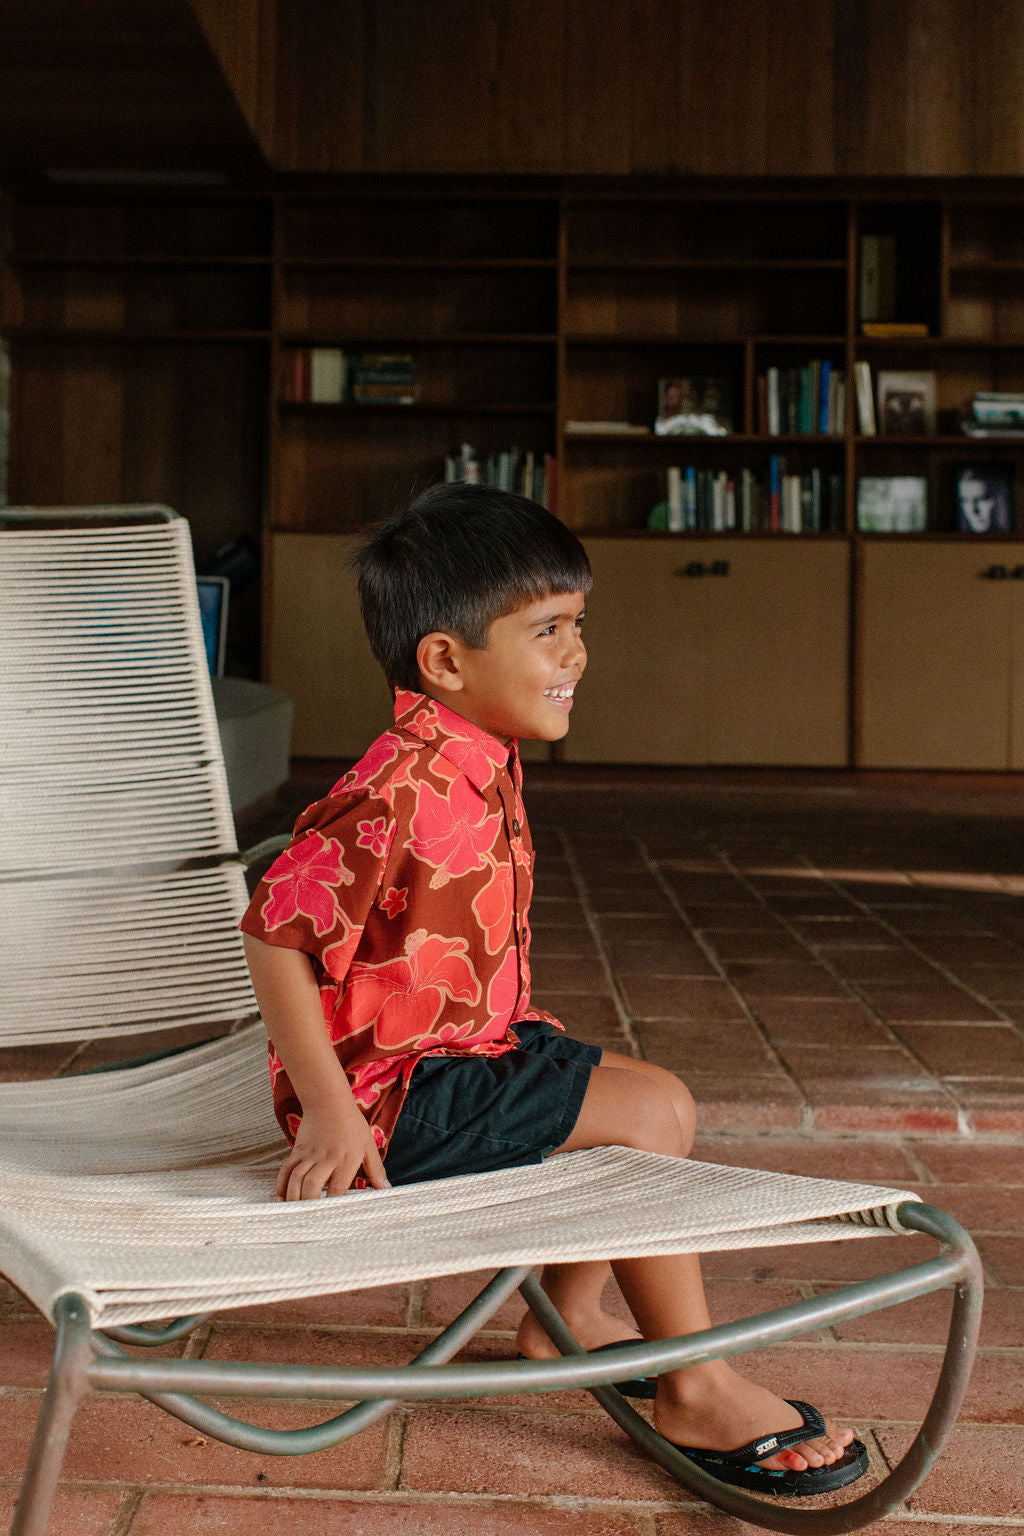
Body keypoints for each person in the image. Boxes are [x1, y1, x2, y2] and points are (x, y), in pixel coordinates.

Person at [240, 482, 866, 1497]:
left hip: (457, 1055)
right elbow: (274, 933)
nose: (576, 653)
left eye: (578, 625)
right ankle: (694, 1383)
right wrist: (325, 1111)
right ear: (445, 662)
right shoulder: (399, 787)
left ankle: (563, 1321)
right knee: (647, 1114)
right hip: (394, 1102)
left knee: (657, 1092)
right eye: (546, 630)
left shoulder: (476, 756)